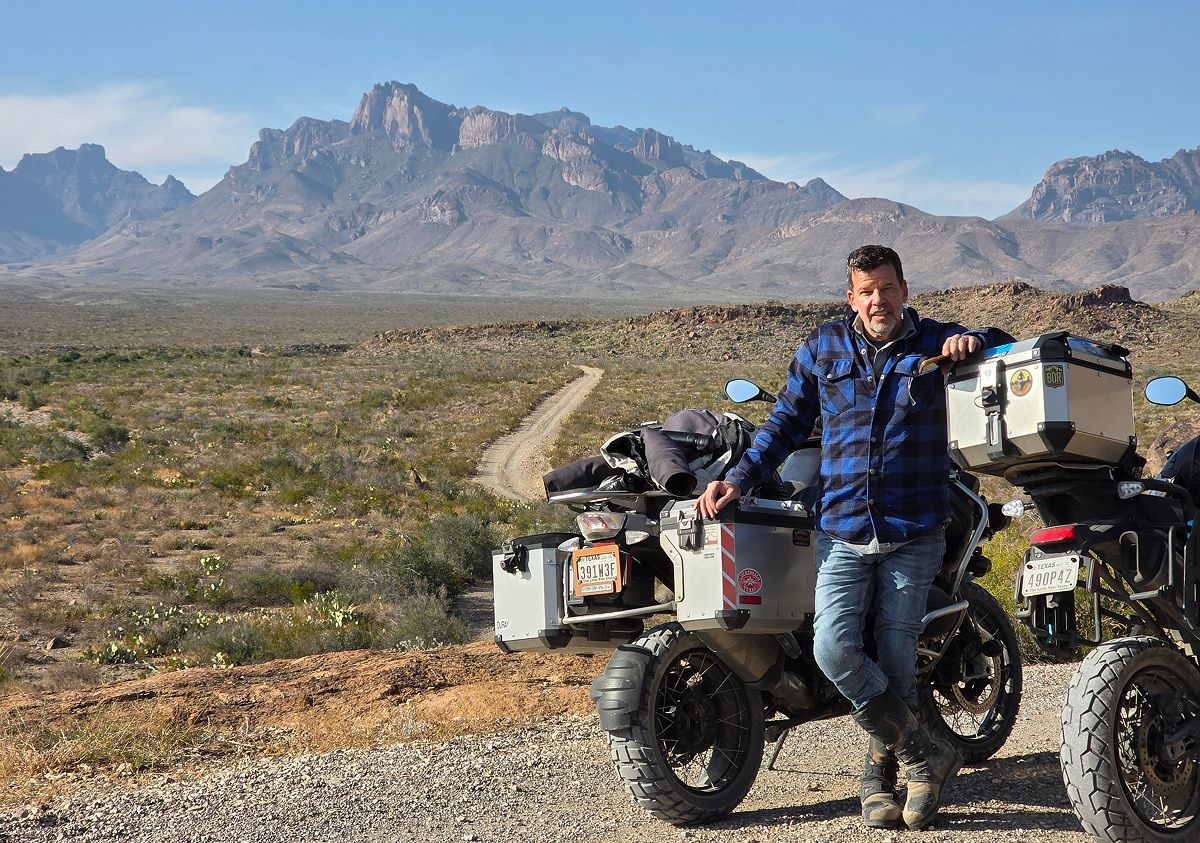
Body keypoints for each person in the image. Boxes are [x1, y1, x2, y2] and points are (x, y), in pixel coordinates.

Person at [696, 244, 1010, 831]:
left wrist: (976, 339)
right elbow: (784, 424)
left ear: (904, 290)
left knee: (894, 656)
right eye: (866, 291)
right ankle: (924, 754)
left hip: (913, 526)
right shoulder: (823, 348)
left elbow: (996, 342)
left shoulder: (932, 342)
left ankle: (879, 779)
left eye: (887, 289)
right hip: (841, 526)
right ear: (850, 296)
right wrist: (736, 480)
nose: (877, 301)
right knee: (833, 648)